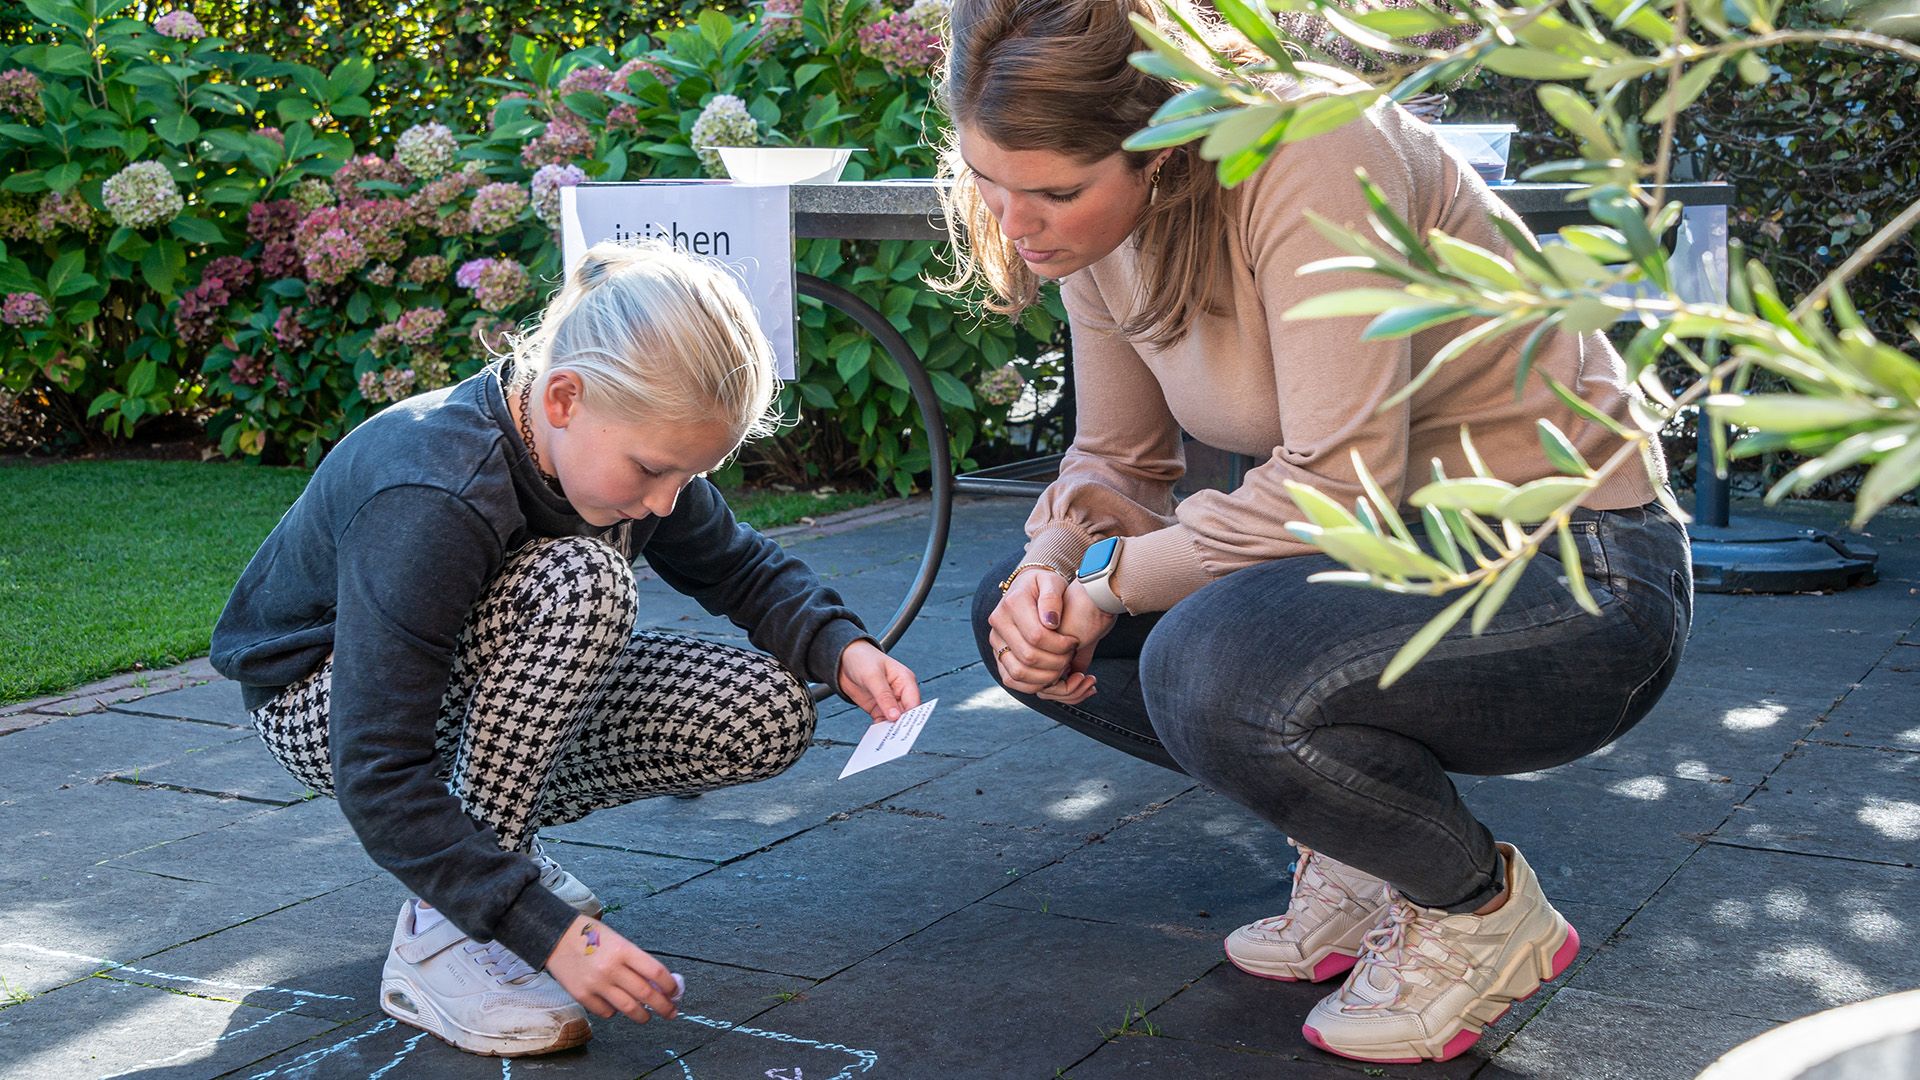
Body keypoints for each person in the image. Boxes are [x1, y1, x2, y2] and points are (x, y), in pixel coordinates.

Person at [940, 0, 1691, 1065]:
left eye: (1056, 192)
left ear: (1164, 145)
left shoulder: (1315, 146)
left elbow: (1339, 486)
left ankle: (1478, 911)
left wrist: (1110, 580)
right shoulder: (1092, 233)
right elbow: (1117, 462)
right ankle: (1358, 849)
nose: (1017, 227)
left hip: (1578, 569)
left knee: (1205, 663)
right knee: (1017, 618)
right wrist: (1051, 572)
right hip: (1386, 561)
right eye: (990, 184)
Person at [210, 239, 922, 1058]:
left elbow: (738, 565)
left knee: (761, 713)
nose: (664, 503)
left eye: (688, 478)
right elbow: (374, 766)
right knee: (582, 580)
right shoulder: (432, 492)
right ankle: (446, 931)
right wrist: (545, 932)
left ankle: (486, 855)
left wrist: (839, 648)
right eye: (654, 471)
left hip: (460, 686)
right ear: (562, 398)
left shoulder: (627, 447)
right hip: (319, 705)